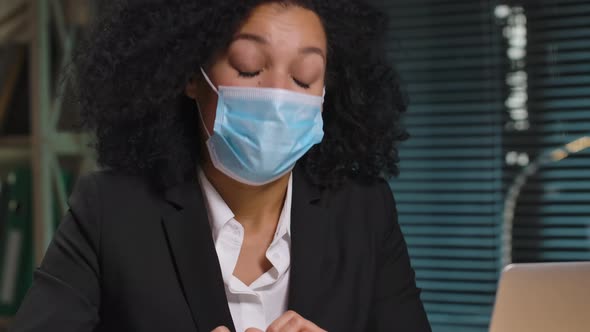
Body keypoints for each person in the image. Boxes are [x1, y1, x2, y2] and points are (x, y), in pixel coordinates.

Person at [10, 0, 431, 331]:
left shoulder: (365, 211)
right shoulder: (110, 210)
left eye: (305, 77)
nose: (279, 97)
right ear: (191, 76)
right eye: (249, 67)